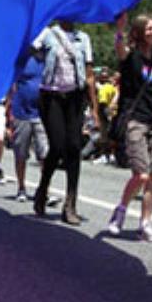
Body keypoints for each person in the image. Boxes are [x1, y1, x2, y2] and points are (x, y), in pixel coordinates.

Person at [104, 13, 152, 242]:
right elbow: (120, 50)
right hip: (136, 119)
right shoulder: (131, 58)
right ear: (140, 32)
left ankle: (146, 224)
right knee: (141, 174)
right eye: (149, 28)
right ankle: (120, 211)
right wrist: (119, 29)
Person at [31, 20, 101, 224]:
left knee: (74, 147)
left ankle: (71, 203)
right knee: (58, 145)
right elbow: (29, 51)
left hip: (75, 97)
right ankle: (43, 188)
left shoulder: (83, 38)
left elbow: (89, 75)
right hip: (51, 97)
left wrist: (95, 109)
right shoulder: (47, 34)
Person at [7, 51, 49, 202]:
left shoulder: (48, 59)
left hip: (41, 113)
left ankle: (44, 190)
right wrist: (10, 112)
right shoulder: (22, 59)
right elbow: (12, 86)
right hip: (21, 112)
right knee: (21, 153)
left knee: (45, 154)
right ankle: (21, 188)